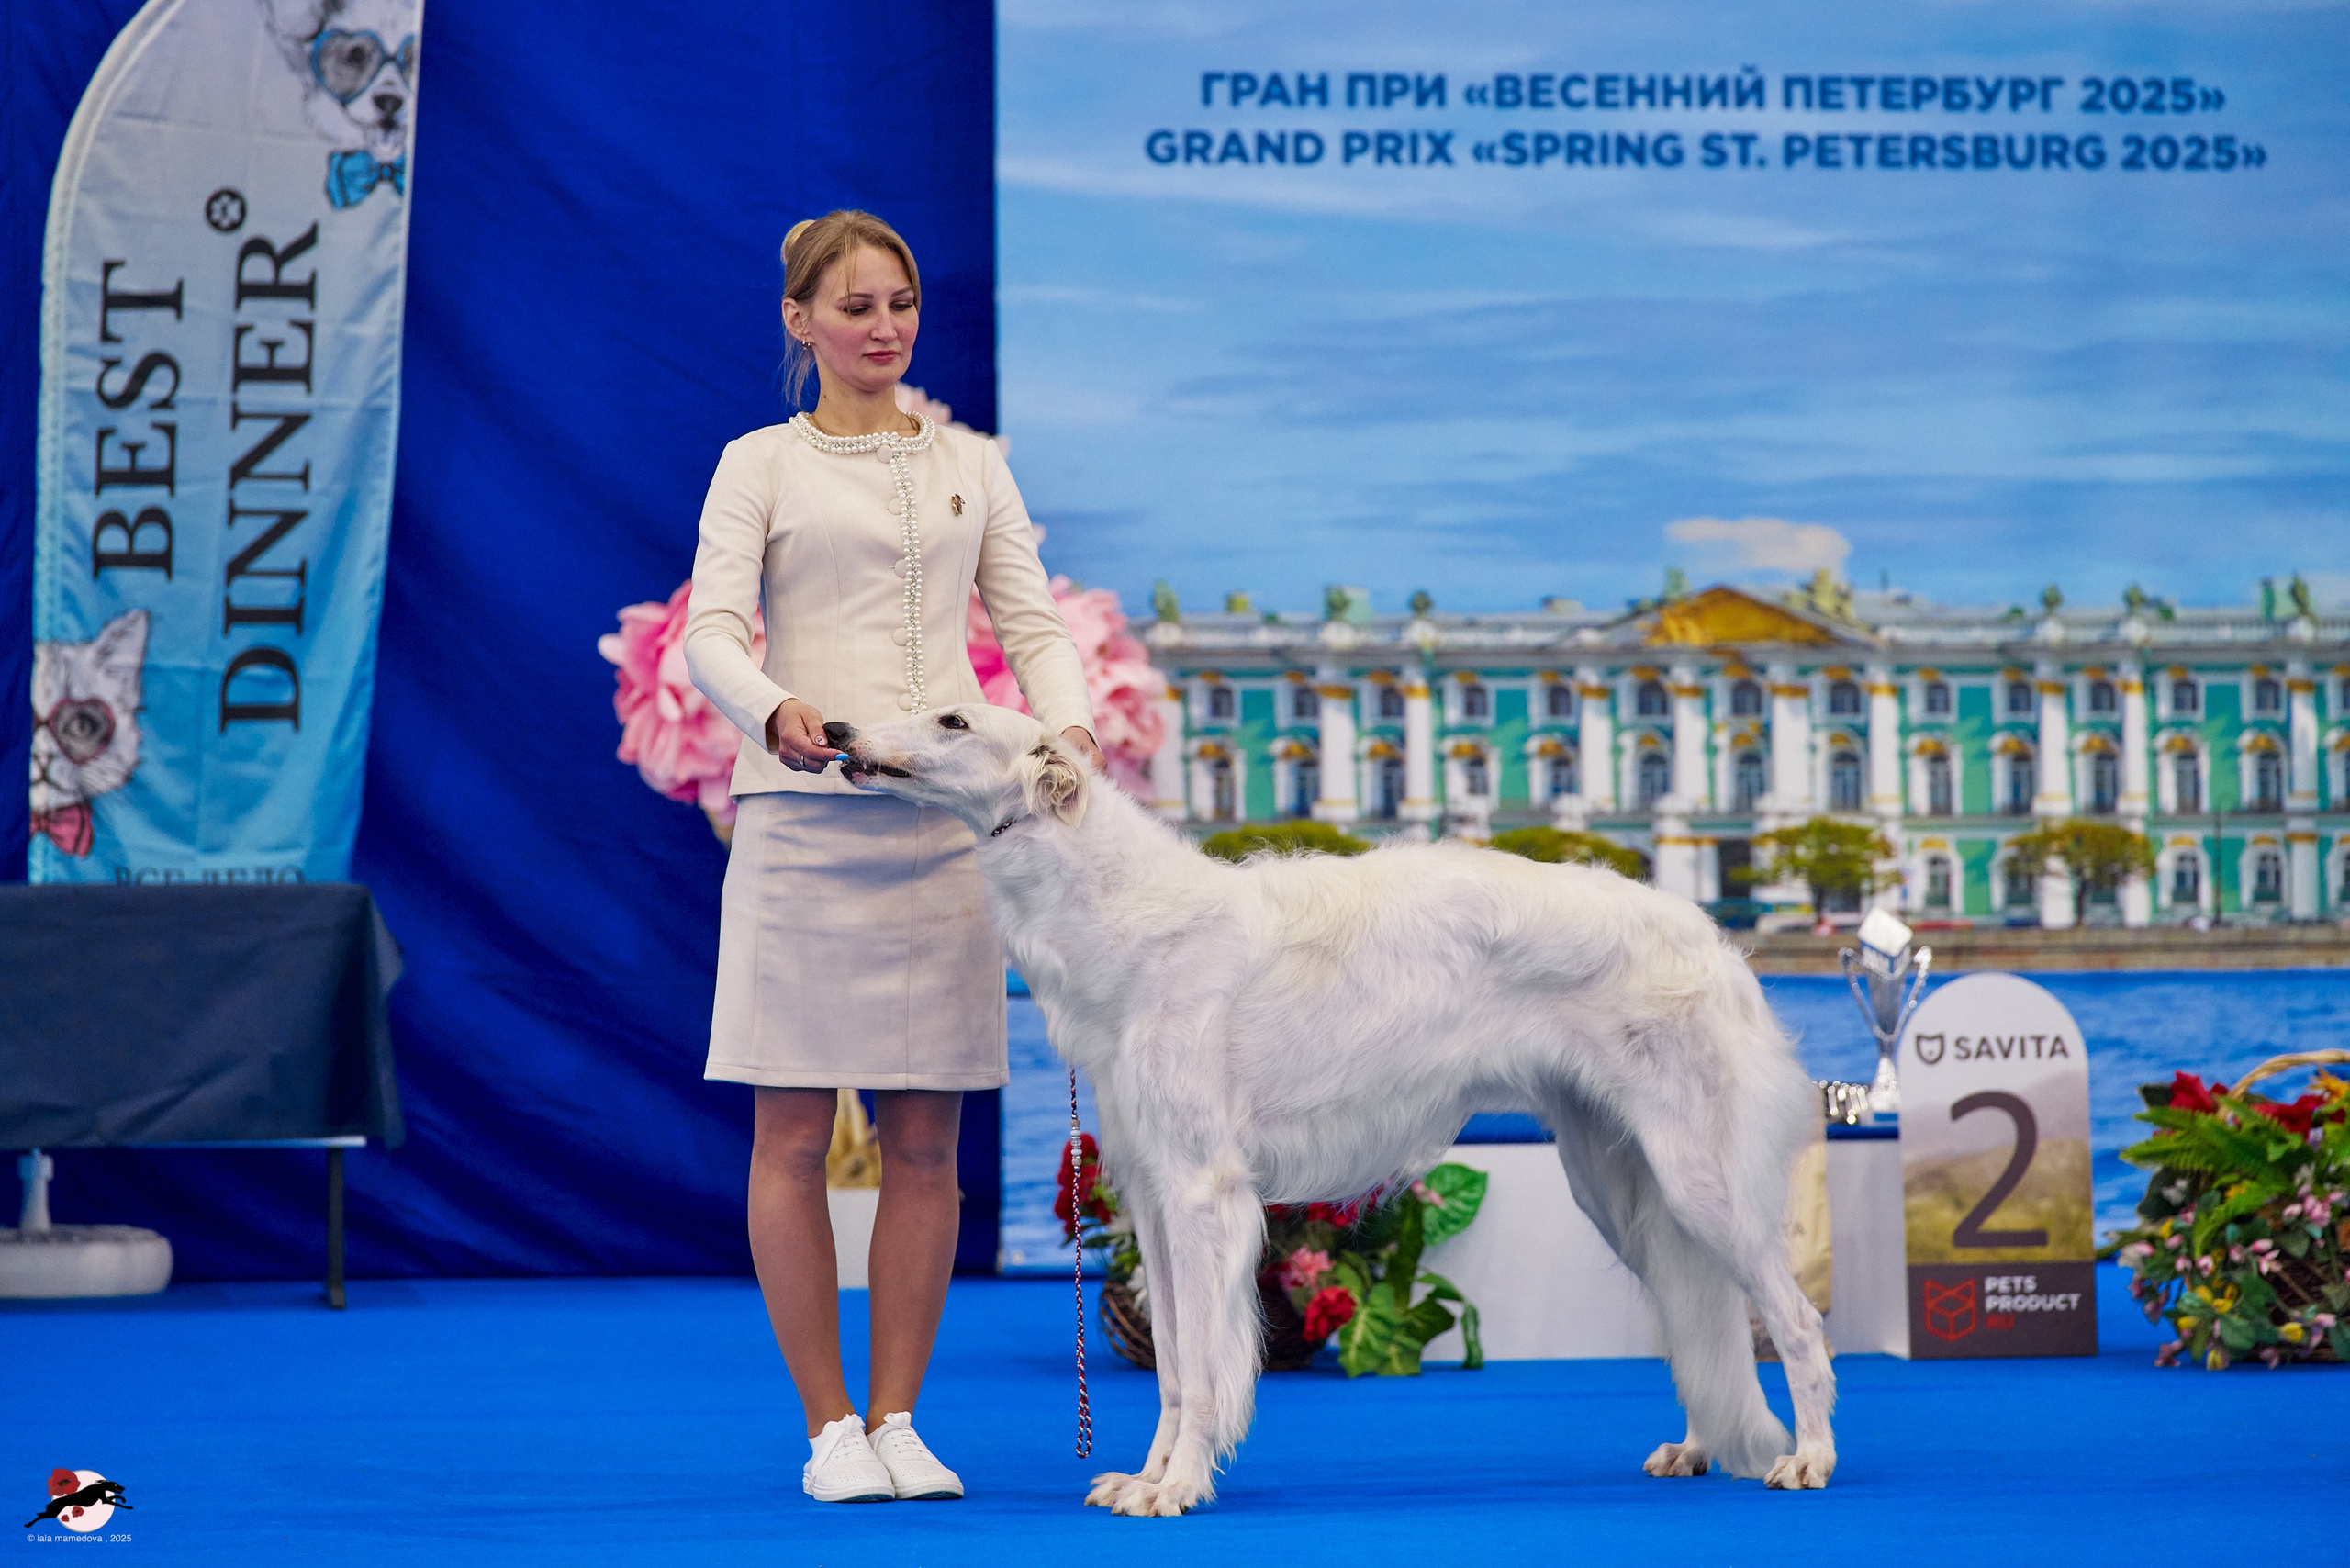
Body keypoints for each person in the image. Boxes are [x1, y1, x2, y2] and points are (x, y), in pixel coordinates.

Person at [683, 209, 1102, 1503]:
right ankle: (829, 1431)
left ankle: (901, 1418)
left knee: (928, 1143)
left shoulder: (974, 463)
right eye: (855, 306)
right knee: (791, 1137)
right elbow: (710, 632)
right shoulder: (758, 462)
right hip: (801, 825)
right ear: (801, 320)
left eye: (901, 304)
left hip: (942, 833)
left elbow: (1033, 624)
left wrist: (1070, 732)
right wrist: (773, 709)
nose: (884, 327)